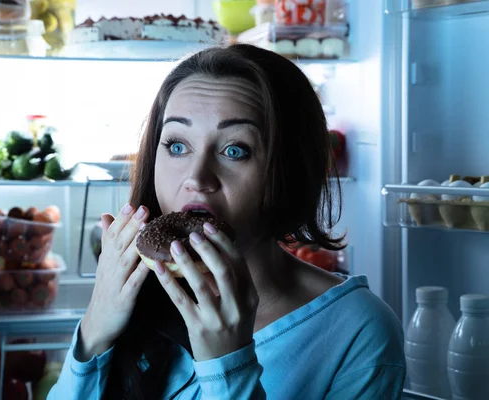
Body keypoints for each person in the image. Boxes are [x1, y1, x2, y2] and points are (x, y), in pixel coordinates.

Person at [49, 44, 406, 399]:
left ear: (291, 171)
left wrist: (228, 366)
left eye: (235, 150)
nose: (197, 176)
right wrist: (95, 330)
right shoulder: (129, 298)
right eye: (176, 145)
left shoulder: (359, 331)